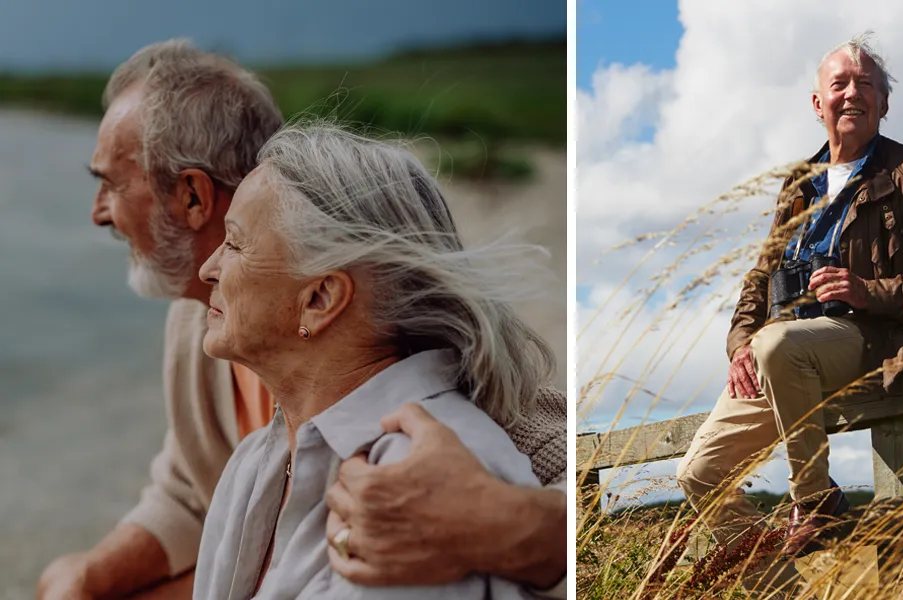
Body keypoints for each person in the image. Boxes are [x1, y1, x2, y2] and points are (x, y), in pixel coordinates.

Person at [37, 40, 567, 600]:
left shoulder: (433, 438)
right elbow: (188, 488)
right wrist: (91, 579)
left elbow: (554, 460)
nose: (98, 212)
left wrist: (508, 524)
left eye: (112, 183)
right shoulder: (206, 340)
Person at [192, 120, 558, 598]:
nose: (207, 269)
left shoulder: (412, 482)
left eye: (235, 244)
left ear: (320, 298)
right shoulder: (256, 460)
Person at [676, 32, 903, 558]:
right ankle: (774, 581)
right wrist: (738, 346)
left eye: (865, 84)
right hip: (785, 352)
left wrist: (872, 292)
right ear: (818, 103)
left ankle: (817, 502)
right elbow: (760, 277)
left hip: (878, 339)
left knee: (780, 347)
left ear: (884, 103)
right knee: (698, 473)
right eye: (839, 84)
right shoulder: (800, 183)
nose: (852, 94)